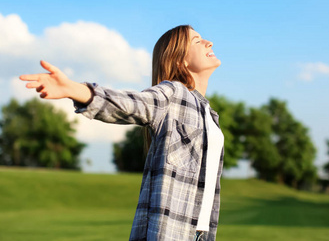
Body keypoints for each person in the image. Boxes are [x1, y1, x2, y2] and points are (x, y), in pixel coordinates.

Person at [19, 25, 224, 241]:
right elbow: (130, 103)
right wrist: (73, 89)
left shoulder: (211, 115)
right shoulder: (173, 93)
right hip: (169, 232)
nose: (208, 42)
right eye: (196, 40)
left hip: (200, 234)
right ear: (179, 60)